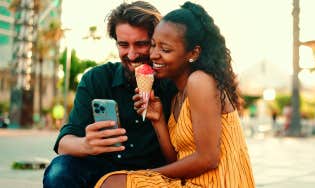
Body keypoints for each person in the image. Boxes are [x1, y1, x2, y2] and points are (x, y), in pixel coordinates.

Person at [96, 2, 255, 187]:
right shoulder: (177, 95)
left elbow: (208, 159)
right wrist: (158, 120)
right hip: (191, 182)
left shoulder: (200, 82)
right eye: (153, 45)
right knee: (113, 181)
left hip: (221, 182)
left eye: (165, 49)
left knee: (115, 182)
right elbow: (176, 160)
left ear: (193, 53)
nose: (154, 55)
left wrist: (145, 175)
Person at [43, 2, 176, 187]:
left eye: (141, 44)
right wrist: (86, 144)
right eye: (123, 45)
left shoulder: (173, 83)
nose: (131, 54)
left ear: (157, 42)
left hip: (155, 175)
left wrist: (159, 120)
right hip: (103, 170)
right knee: (59, 170)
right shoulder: (96, 79)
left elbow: (182, 157)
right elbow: (64, 143)